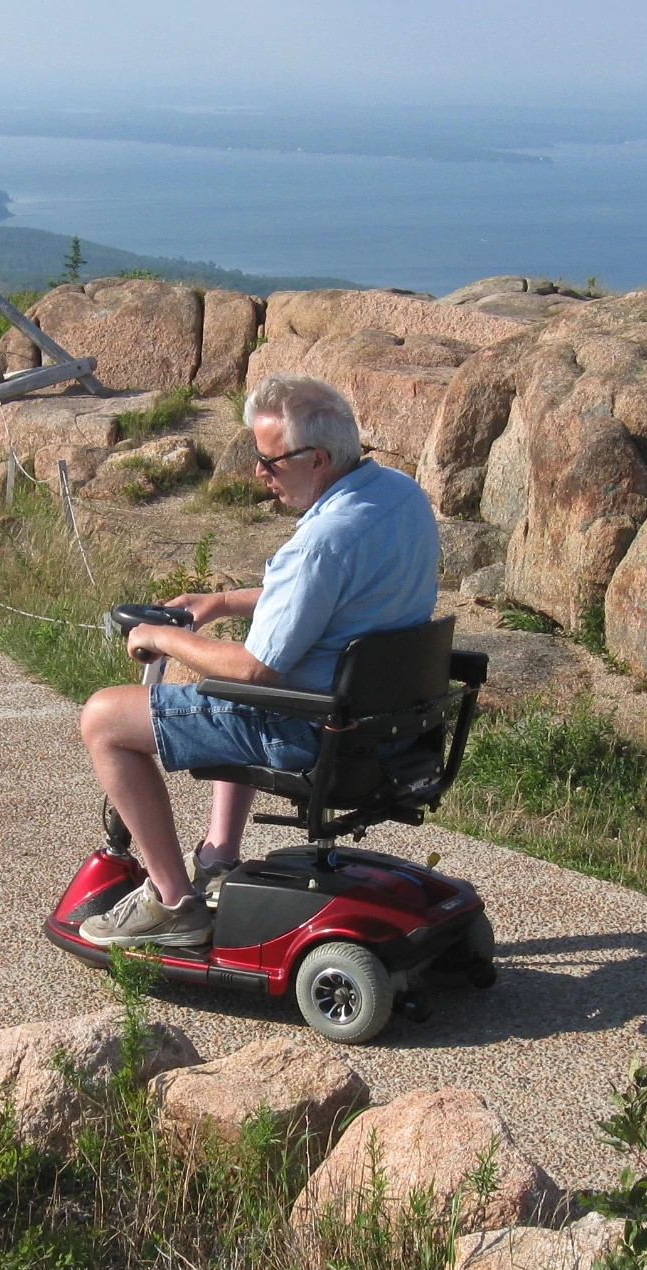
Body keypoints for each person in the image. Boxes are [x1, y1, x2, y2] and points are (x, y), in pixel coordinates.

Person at [75, 374, 440, 948]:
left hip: (307, 728)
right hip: (385, 724)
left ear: (317, 458)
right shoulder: (399, 496)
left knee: (103, 717)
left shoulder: (320, 541)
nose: (257, 472)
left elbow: (256, 671)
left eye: (269, 461)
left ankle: (174, 904)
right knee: (216, 666)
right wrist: (219, 603)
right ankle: (219, 851)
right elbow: (322, 597)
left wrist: (161, 638)